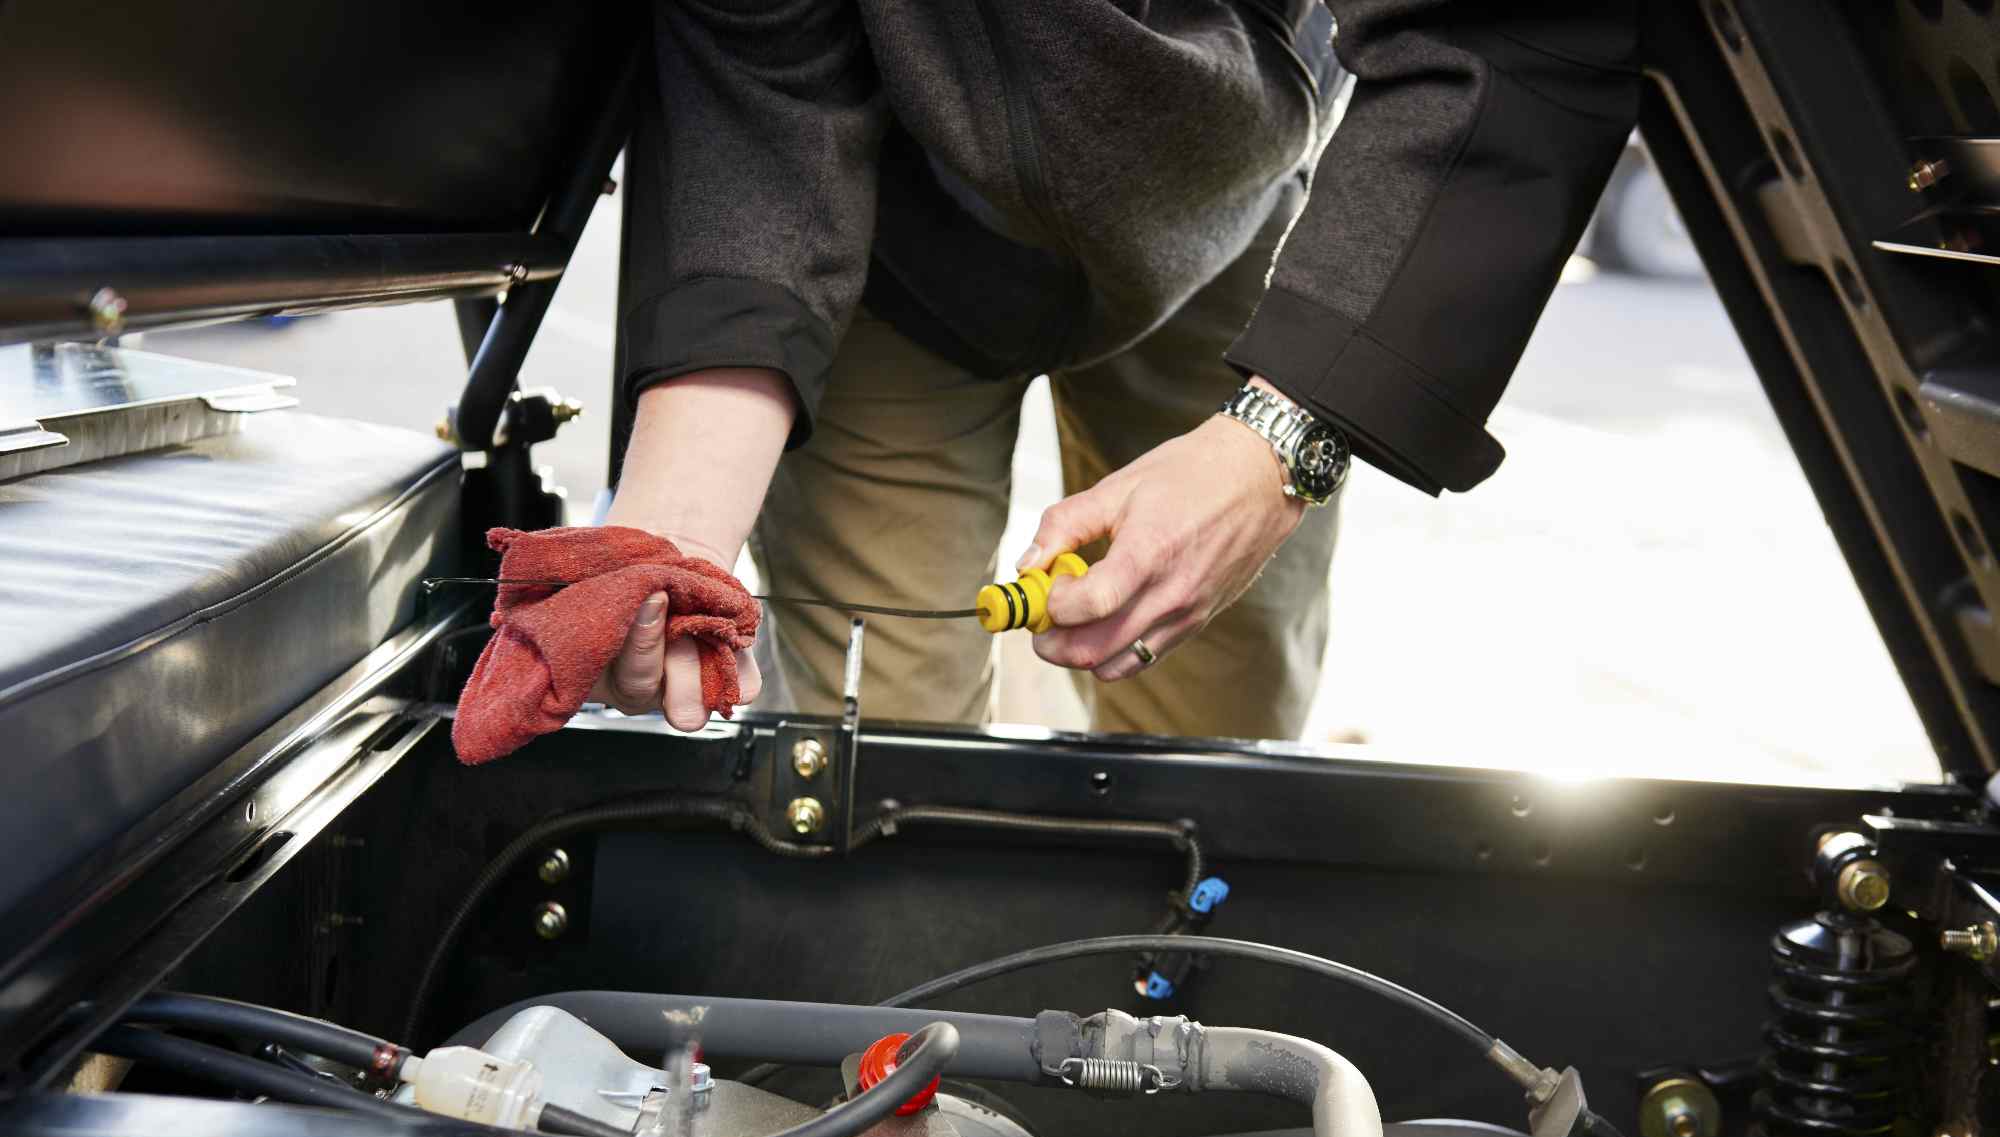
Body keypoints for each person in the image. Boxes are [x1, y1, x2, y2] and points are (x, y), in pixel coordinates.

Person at [592, 1, 1642, 738]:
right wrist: (675, 532)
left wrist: (1281, 442)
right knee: (880, 741)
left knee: (1220, 729)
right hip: (883, 250)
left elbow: (1492, 35)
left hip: (1226, 216)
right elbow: (755, 97)